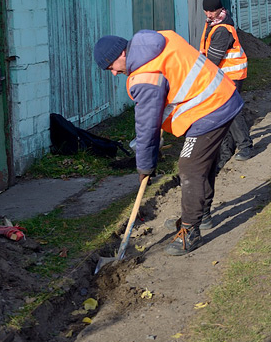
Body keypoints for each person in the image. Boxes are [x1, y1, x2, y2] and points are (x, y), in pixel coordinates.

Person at [93, 30, 243, 255]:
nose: (114, 73)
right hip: (220, 97)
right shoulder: (160, 39)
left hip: (211, 109)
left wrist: (144, 166)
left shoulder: (145, 75)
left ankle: (189, 231)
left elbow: (146, 126)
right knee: (202, 162)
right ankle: (201, 215)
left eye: (111, 67)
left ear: (122, 53)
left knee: (190, 166)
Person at [199, 0, 256, 163]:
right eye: (206, 11)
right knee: (223, 112)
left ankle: (245, 146)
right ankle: (226, 150)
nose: (209, 14)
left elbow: (213, 60)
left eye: (212, 11)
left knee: (230, 110)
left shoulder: (223, 29)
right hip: (222, 75)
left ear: (220, 10)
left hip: (232, 75)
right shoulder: (213, 23)